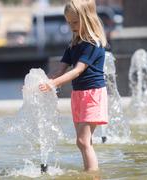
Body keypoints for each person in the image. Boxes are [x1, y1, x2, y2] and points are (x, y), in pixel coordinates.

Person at [39, 0, 108, 171]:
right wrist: (39, 83)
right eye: (69, 22)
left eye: (75, 22)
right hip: (78, 95)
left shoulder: (93, 43)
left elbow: (77, 71)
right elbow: (59, 70)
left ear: (88, 18)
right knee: (84, 142)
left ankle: (92, 175)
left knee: (83, 141)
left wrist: (53, 84)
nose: (71, 26)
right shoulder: (74, 44)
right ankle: (89, 172)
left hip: (93, 94)